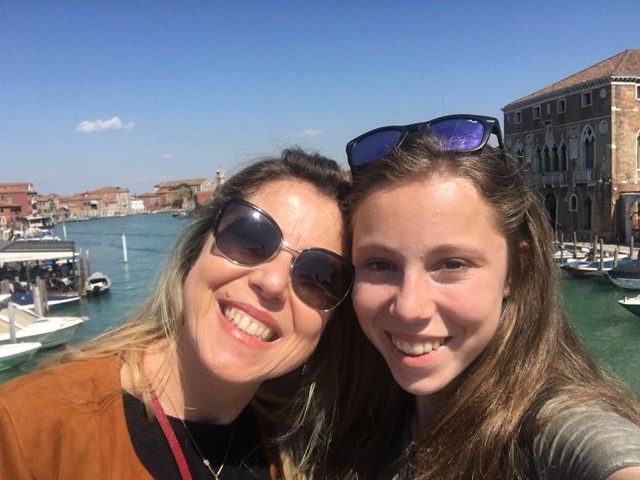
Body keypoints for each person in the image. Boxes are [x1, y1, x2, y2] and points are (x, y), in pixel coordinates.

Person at [0, 147, 354, 479]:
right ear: (196, 249)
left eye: (318, 276)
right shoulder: (28, 429)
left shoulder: (313, 452)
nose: (272, 283)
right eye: (250, 238)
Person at [339, 115, 640, 479]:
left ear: (516, 269)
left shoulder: (553, 427)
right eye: (379, 264)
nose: (409, 308)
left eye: (452, 264)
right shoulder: (358, 403)